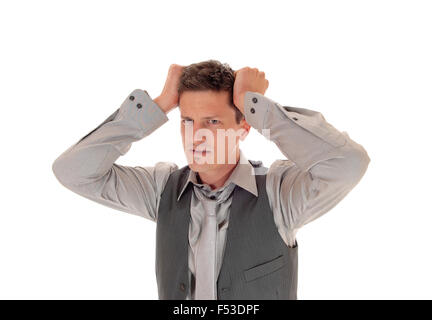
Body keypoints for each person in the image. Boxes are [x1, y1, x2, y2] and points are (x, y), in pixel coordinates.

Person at [52, 59, 370, 300]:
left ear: (244, 128)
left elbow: (347, 163)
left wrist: (256, 107)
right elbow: (72, 171)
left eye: (213, 121)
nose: (196, 135)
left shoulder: (279, 193)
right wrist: (158, 105)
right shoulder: (161, 190)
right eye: (187, 120)